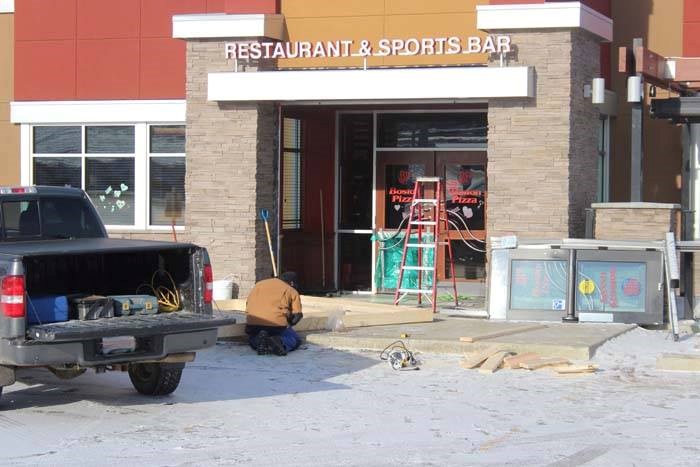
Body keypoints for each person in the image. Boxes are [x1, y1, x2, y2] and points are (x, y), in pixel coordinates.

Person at [244, 271, 303, 356]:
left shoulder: (258, 284)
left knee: (252, 337)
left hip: (252, 325)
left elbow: (247, 304)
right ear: (292, 283)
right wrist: (290, 323)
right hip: (276, 326)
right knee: (294, 338)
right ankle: (280, 341)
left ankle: (259, 341)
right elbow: (297, 315)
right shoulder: (291, 289)